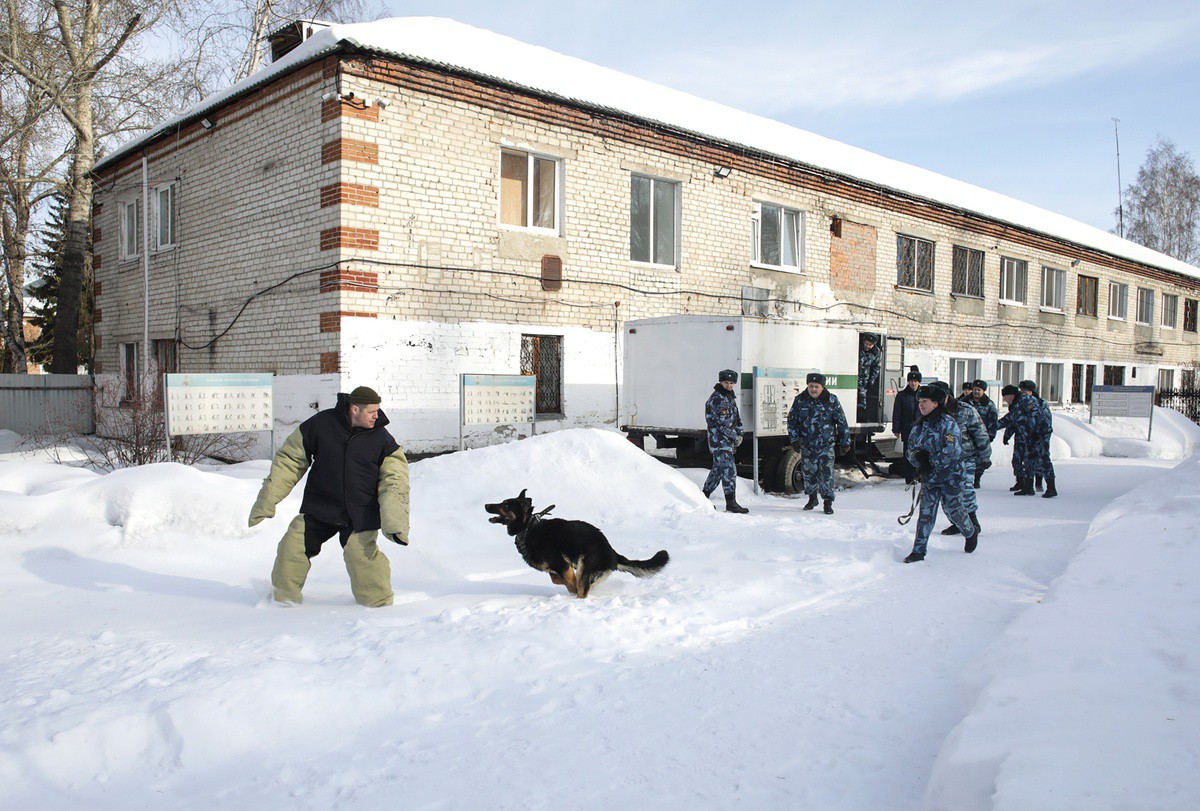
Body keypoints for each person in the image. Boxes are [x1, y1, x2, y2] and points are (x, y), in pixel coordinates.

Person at [248, 386, 410, 606]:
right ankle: (283, 604)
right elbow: (290, 461)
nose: (377, 416)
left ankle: (379, 607)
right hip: (320, 507)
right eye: (372, 411)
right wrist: (267, 501)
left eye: (377, 410)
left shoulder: (382, 439)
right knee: (291, 548)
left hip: (359, 513)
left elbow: (394, 482)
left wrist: (395, 524)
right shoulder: (321, 425)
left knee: (361, 558)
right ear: (355, 409)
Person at [903, 384, 979, 563]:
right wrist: (918, 462)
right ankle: (918, 551)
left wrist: (930, 462)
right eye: (920, 402)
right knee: (926, 514)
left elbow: (952, 451)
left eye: (925, 402)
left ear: (936, 403)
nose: (921, 405)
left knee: (954, 511)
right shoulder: (919, 426)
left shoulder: (948, 423)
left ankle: (970, 531)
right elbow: (910, 451)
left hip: (951, 477)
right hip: (931, 478)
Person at [931, 381, 990, 537]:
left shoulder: (965, 410)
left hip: (965, 458)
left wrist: (985, 457)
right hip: (943, 461)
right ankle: (957, 522)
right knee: (946, 495)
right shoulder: (932, 412)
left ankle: (972, 522)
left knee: (964, 492)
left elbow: (981, 435)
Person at [787, 372, 851, 514]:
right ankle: (812, 498)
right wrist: (794, 439)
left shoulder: (831, 400)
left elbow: (841, 422)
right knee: (809, 473)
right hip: (807, 445)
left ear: (822, 386)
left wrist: (845, 442)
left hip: (826, 445)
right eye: (810, 386)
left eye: (816, 387)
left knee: (826, 474)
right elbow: (792, 421)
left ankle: (828, 502)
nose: (813, 390)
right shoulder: (800, 400)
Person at [702, 369, 749, 513]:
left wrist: (740, 433)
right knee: (729, 470)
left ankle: (702, 497)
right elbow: (723, 423)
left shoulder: (729, 397)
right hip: (719, 442)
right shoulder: (718, 399)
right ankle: (731, 502)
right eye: (726, 383)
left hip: (726, 442)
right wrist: (735, 437)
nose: (729, 385)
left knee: (717, 471)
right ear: (721, 382)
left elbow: (736, 419)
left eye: (731, 383)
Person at [997, 383, 1048, 497]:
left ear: (1010, 395)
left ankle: (1037, 486)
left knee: (1036, 461)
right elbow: (1010, 419)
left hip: (1034, 436)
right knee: (1020, 460)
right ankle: (1024, 485)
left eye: (1005, 397)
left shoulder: (1027, 400)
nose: (1004, 400)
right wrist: (998, 430)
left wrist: (1035, 432)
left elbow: (1036, 416)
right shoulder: (1017, 404)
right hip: (1023, 436)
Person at [1019, 380, 1057, 498]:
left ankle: (1051, 487)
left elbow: (1041, 419)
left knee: (1044, 459)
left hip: (1041, 435)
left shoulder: (1040, 403)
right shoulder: (1024, 401)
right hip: (1030, 435)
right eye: (1022, 390)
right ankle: (1028, 487)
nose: (1022, 392)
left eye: (1024, 390)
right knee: (1029, 458)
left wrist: (1037, 432)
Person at [963, 379, 999, 487]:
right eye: (974, 389)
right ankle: (967, 478)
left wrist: (991, 435)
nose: (976, 392)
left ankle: (977, 478)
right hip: (967, 435)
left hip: (982, 436)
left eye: (979, 390)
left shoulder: (989, 404)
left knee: (980, 458)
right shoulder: (964, 402)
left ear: (983, 391)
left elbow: (993, 421)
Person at [890, 366, 922, 479]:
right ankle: (909, 477)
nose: (913, 383)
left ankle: (919, 476)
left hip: (921, 430)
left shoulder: (924, 395)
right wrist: (896, 429)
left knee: (920, 454)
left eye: (915, 381)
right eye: (911, 381)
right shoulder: (902, 395)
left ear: (919, 382)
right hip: (907, 428)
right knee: (908, 454)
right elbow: (897, 413)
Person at [858, 333, 882, 417]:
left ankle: (861, 416)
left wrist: (871, 381)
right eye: (866, 344)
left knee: (862, 403)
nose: (867, 346)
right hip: (853, 379)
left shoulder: (876, 352)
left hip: (864, 381)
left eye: (870, 345)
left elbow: (876, 367)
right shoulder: (857, 347)